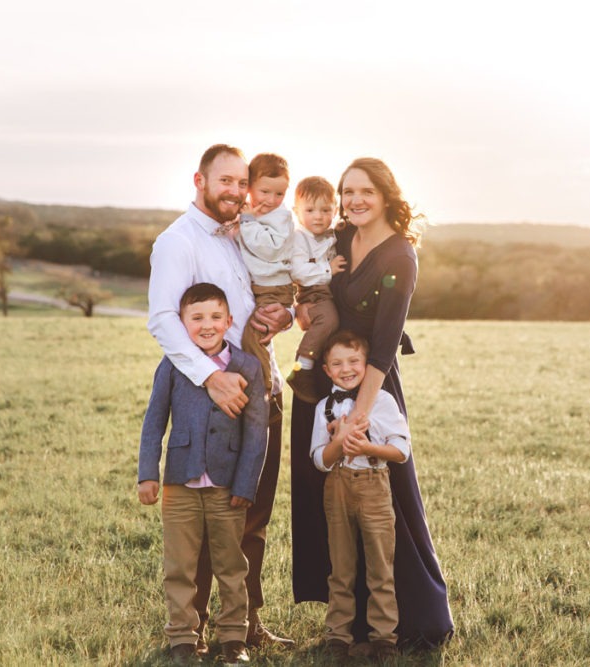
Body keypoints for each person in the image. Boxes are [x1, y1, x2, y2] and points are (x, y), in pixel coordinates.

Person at [290, 157, 454, 649]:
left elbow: (382, 347)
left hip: (371, 385)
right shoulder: (339, 237)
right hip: (322, 380)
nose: (353, 200)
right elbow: (312, 281)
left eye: (364, 191)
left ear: (386, 194)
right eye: (347, 192)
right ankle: (348, 619)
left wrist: (359, 416)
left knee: (387, 498)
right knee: (328, 498)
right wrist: (302, 306)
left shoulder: (400, 257)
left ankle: (414, 615)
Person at [147, 144, 295, 651]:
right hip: (216, 401)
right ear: (200, 180)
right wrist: (211, 378)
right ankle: (194, 630)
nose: (235, 191)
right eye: (225, 181)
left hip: (263, 387)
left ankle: (246, 624)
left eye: (241, 182)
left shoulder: (240, 235)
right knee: (212, 521)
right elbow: (164, 320)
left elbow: (263, 298)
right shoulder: (177, 241)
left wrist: (282, 317)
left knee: (251, 511)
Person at [138, 283, 267, 665]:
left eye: (215, 317)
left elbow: (257, 431)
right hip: (181, 482)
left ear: (229, 321)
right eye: (196, 318)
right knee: (179, 565)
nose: (206, 325)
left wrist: (246, 483)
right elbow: (154, 422)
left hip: (229, 487)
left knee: (232, 564)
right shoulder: (175, 363)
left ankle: (233, 639)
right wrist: (149, 474)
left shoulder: (248, 366)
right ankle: (182, 638)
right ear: (183, 323)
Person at [310, 330, 411, 662]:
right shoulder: (325, 407)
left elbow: (401, 451)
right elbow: (319, 460)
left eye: (354, 361)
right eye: (337, 363)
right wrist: (338, 441)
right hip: (336, 486)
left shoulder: (382, 400)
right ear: (326, 370)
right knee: (341, 567)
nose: (346, 368)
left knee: (380, 566)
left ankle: (384, 638)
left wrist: (367, 446)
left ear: (368, 365)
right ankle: (338, 637)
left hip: (374, 484)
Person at [238, 153, 295, 395]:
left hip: (274, 288)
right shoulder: (252, 212)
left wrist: (248, 222)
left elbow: (270, 248)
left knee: (254, 337)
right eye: (265, 192)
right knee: (254, 335)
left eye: (279, 194)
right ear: (250, 188)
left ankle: (263, 389)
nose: (272, 199)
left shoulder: (281, 216)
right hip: (262, 286)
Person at [286, 175, 346, 404]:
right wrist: (328, 268)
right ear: (296, 211)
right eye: (310, 210)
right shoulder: (300, 238)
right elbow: (298, 272)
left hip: (324, 289)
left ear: (335, 209)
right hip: (312, 291)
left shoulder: (331, 233)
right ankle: (302, 367)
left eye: (325, 210)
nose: (318, 216)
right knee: (328, 319)